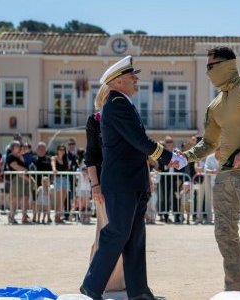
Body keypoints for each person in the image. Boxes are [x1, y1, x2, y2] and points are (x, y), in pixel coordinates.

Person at [80, 55, 183, 300]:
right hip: (122, 184)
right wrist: (169, 158)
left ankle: (138, 292)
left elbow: (137, 145)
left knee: (135, 238)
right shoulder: (116, 104)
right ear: (116, 82)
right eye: (131, 76)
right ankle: (91, 287)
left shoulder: (122, 103)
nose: (136, 79)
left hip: (131, 182)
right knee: (116, 233)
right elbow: (140, 141)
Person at [181, 46, 240, 291]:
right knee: (224, 235)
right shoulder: (214, 105)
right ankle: (235, 291)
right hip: (223, 177)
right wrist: (185, 158)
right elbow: (209, 142)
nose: (207, 73)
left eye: (210, 66)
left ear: (227, 64)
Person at [84, 82, 126, 292]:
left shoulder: (124, 118)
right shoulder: (95, 121)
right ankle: (97, 282)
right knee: (105, 232)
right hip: (103, 184)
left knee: (121, 234)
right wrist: (95, 185)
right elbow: (91, 156)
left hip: (123, 183)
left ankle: (118, 282)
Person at [6, 140, 32, 224]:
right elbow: (15, 166)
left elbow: (23, 165)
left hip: (24, 178)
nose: (19, 147)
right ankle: (11, 217)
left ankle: (24, 217)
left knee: (25, 198)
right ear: (13, 147)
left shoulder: (20, 156)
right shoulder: (10, 156)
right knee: (15, 199)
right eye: (17, 146)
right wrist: (26, 170)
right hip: (16, 178)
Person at [51, 144, 70, 224]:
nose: (62, 151)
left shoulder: (66, 159)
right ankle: (56, 217)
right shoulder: (54, 158)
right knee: (59, 199)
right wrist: (54, 169)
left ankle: (58, 216)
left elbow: (68, 168)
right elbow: (53, 165)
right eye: (60, 149)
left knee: (63, 200)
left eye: (63, 149)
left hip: (65, 179)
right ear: (57, 150)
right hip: (58, 179)